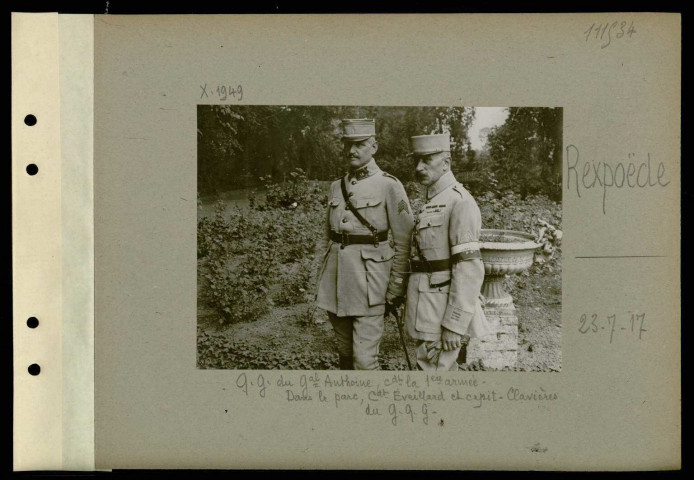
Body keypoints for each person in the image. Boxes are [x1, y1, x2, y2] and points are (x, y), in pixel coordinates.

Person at [316, 119, 414, 370]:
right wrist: (319, 278)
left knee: (364, 361)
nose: (351, 150)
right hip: (335, 282)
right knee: (344, 354)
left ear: (374, 147)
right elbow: (326, 237)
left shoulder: (389, 185)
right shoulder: (336, 187)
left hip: (371, 285)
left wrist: (395, 288)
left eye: (359, 144)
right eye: (348, 144)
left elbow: (404, 242)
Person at [403, 133, 490, 371]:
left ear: (446, 163)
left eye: (426, 160)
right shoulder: (435, 199)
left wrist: (454, 324)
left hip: (441, 309)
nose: (418, 167)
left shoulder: (460, 202)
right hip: (427, 303)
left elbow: (469, 267)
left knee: (435, 373)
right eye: (416, 161)